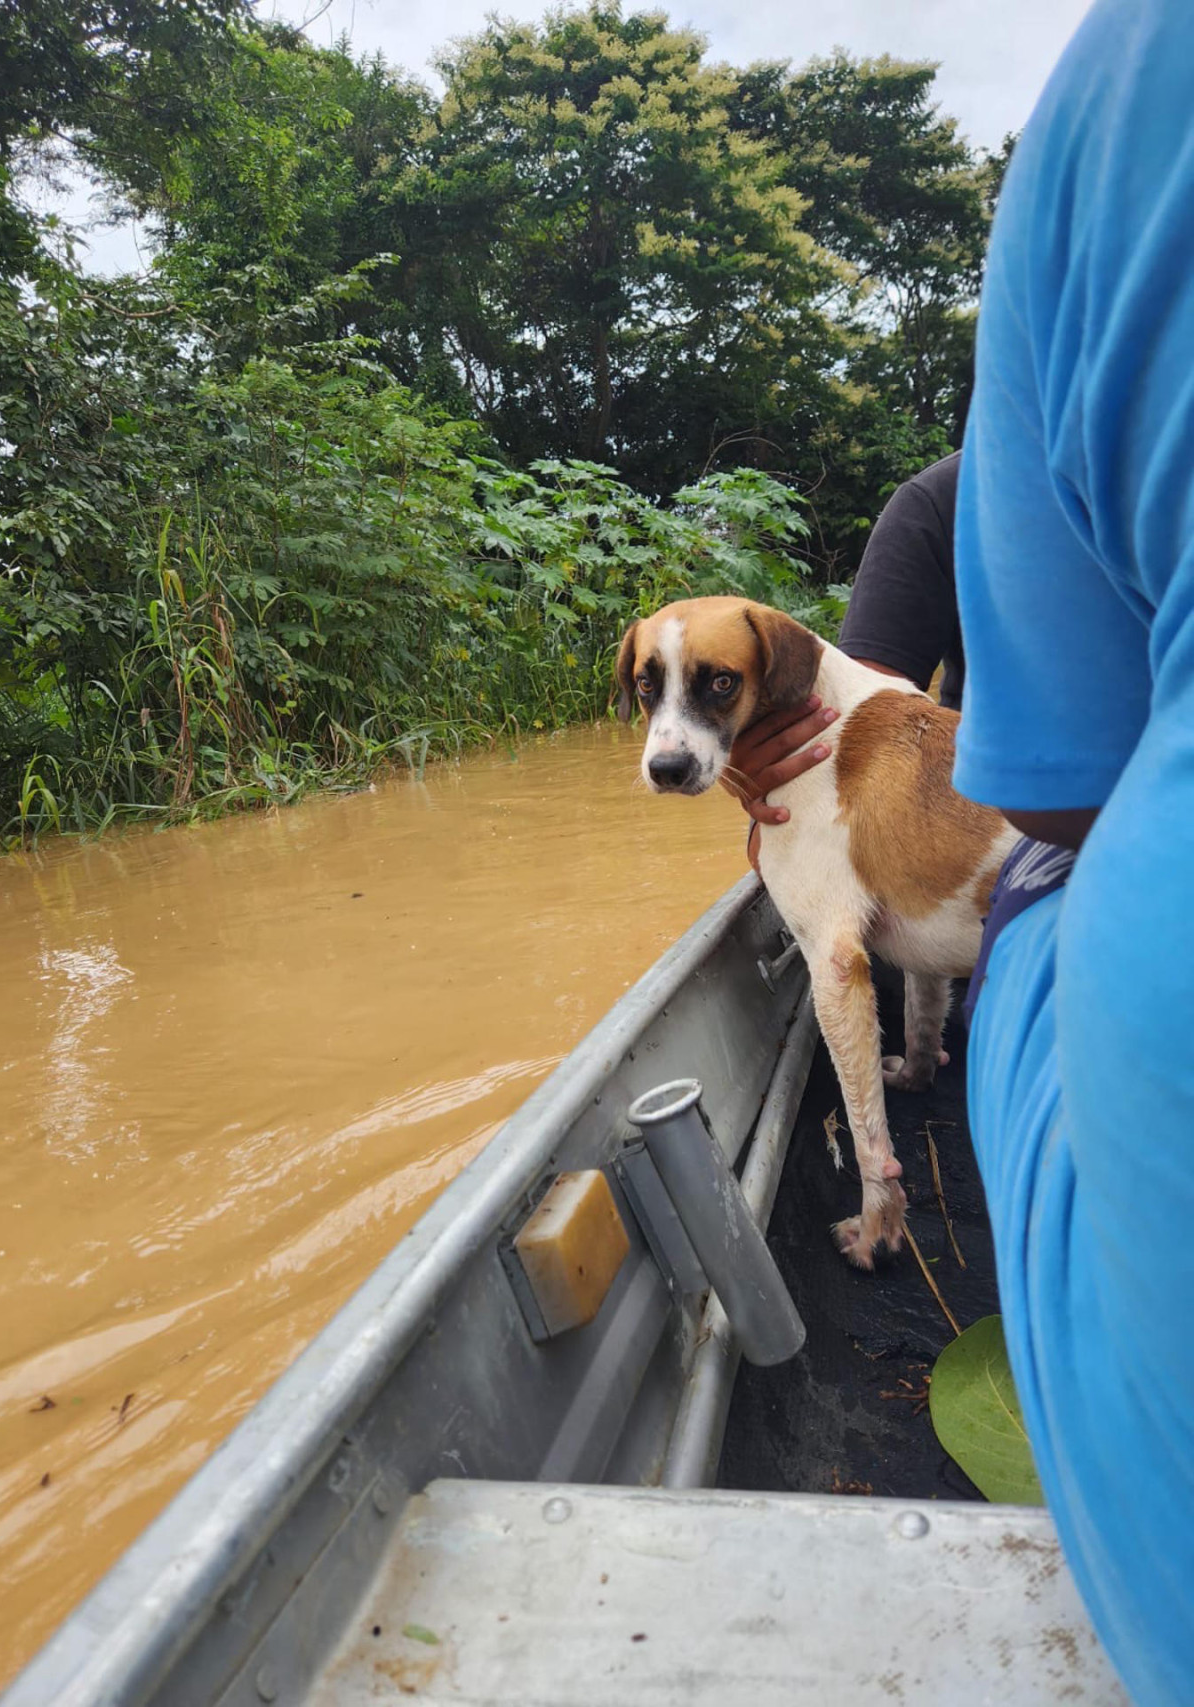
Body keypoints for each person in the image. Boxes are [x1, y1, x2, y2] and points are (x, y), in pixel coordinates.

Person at [945, 5, 1194, 1701]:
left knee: (1028, 882)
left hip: (1034, 781)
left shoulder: (1125, 82)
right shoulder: (915, 506)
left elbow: (1053, 801)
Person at [724, 451, 962, 842]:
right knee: (769, 841)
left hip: (1035, 804)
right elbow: (855, 729)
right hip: (984, 800)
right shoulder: (937, 501)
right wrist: (756, 772)